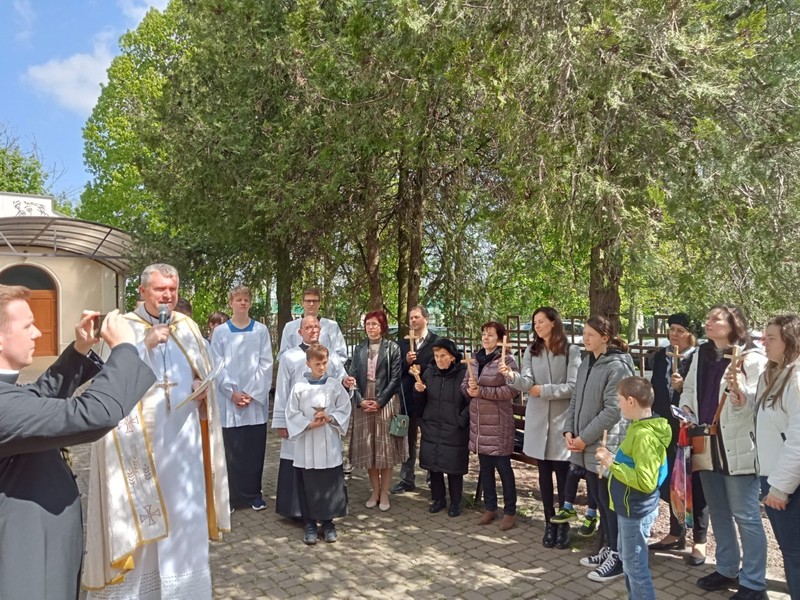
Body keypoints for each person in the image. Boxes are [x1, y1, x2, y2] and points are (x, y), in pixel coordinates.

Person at [83, 264, 230, 599]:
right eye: (161, 289)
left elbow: (205, 370)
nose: (168, 296)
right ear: (143, 291)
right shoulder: (121, 330)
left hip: (184, 445)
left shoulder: (188, 326)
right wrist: (144, 345)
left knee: (183, 518)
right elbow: (108, 385)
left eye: (173, 289)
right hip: (140, 450)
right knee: (142, 523)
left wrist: (201, 385)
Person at [0, 285, 155, 600]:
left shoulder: (7, 391)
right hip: (22, 556)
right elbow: (95, 413)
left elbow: (37, 397)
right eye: (27, 325)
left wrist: (81, 349)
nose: (37, 333)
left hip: (38, 545)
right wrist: (125, 348)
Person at [681, 305, 768, 600]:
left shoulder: (753, 358)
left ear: (734, 324)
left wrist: (744, 398)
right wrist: (687, 408)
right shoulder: (702, 354)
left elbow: (759, 401)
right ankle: (727, 568)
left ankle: (754, 582)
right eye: (707, 318)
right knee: (718, 510)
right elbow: (690, 389)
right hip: (705, 440)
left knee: (745, 514)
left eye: (715, 319)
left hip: (738, 444)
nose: (708, 323)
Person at [500, 307, 581, 548]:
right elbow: (526, 383)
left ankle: (564, 523)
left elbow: (573, 386)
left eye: (541, 321)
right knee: (544, 475)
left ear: (554, 323)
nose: (536, 325)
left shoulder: (571, 351)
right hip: (538, 424)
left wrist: (544, 390)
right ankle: (549, 522)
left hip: (561, 423)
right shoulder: (531, 351)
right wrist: (511, 376)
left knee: (563, 475)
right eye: (534, 322)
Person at [564, 314, 635, 582]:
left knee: (610, 503)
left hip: (605, 444)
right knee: (600, 501)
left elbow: (614, 409)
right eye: (584, 333)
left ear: (605, 337)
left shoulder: (617, 367)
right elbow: (575, 402)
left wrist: (585, 437)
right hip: (584, 444)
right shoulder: (586, 363)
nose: (585, 338)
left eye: (590, 334)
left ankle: (619, 558)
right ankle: (608, 549)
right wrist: (569, 431)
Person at [596, 377, 671, 600]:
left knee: (635, 567)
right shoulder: (639, 427)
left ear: (630, 401)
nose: (618, 405)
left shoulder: (644, 435)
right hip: (629, 507)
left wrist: (611, 463)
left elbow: (646, 481)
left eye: (619, 400)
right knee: (630, 564)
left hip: (635, 509)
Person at [648, 313, 709, 566]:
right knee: (672, 481)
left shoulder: (700, 357)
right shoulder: (662, 356)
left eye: (680, 330)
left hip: (690, 427)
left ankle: (700, 541)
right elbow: (654, 389)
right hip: (666, 427)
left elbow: (704, 395)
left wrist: (683, 388)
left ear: (690, 333)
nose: (674, 334)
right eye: (671, 329)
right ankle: (676, 532)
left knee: (694, 483)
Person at [273, 315, 348, 520]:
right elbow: (282, 390)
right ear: (300, 332)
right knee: (297, 461)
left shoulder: (328, 356)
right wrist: (281, 421)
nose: (313, 330)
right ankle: (296, 511)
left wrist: (347, 382)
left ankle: (326, 512)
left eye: (316, 327)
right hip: (298, 421)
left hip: (324, 422)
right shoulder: (289, 357)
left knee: (325, 464)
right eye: (308, 327)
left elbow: (339, 379)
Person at [211, 285, 273, 511]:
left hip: (254, 403)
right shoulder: (220, 333)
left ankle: (254, 494)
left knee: (254, 451)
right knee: (232, 451)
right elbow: (216, 365)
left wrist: (251, 393)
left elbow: (266, 364)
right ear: (231, 303)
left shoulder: (260, 330)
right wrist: (232, 392)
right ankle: (232, 497)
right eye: (238, 299)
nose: (243, 303)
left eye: (246, 299)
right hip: (230, 402)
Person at [286, 344, 352, 545]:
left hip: (328, 440)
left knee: (329, 482)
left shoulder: (333, 385)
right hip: (307, 441)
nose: (322, 367)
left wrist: (330, 418)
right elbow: (292, 413)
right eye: (317, 364)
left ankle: (329, 522)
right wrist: (307, 424)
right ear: (308, 364)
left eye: (324, 363)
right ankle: (310, 524)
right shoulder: (299, 386)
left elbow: (345, 407)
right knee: (308, 484)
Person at [755, 315, 800, 600]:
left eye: (771, 338)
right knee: (791, 553)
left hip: (787, 486)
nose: (764, 342)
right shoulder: (775, 374)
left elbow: (798, 438)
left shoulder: (795, 379)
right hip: (771, 476)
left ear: (790, 341)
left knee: (796, 555)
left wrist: (781, 488)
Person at [462, 321, 519, 531]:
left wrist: (482, 392)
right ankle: (490, 507)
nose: (486, 337)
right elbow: (464, 385)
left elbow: (511, 391)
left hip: (499, 423)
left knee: (503, 467)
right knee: (485, 468)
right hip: (480, 424)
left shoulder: (507, 361)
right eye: (484, 334)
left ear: (500, 339)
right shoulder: (475, 360)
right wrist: (469, 389)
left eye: (491, 334)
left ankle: (510, 512)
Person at [348, 309, 406, 511]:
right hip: (364, 400)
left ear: (382, 326)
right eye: (368, 324)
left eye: (375, 324)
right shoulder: (359, 349)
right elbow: (352, 376)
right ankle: (374, 491)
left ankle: (385, 492)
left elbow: (396, 378)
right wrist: (360, 400)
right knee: (370, 448)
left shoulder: (393, 348)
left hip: (386, 401)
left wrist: (380, 401)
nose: (371, 328)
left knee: (385, 449)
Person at [413, 338, 469, 516]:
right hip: (432, 426)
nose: (439, 359)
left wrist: (461, 420)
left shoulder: (463, 374)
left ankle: (456, 502)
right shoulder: (430, 373)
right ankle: (438, 499)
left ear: (452, 357)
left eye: (443, 356)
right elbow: (421, 401)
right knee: (434, 465)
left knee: (453, 468)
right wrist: (418, 391)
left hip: (454, 428)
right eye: (436, 356)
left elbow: (471, 402)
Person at [392, 305, 439, 494]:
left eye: (417, 317)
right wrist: (406, 362)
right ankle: (406, 479)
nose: (413, 321)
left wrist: (422, 369)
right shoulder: (403, 344)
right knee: (407, 439)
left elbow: (440, 366)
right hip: (408, 399)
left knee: (429, 439)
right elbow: (395, 371)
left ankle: (432, 480)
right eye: (411, 318)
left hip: (429, 399)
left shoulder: (436, 341)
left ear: (426, 319)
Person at [277, 287, 347, 361]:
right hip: (297, 370)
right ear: (302, 303)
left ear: (319, 303)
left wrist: (323, 366)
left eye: (314, 301)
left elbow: (341, 354)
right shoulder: (290, 327)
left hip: (325, 370)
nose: (311, 304)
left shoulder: (332, 326)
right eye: (308, 301)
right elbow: (283, 355)